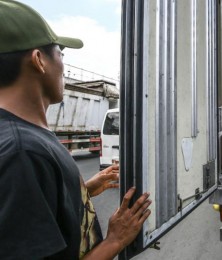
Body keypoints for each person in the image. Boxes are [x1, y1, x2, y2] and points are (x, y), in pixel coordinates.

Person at [0, 0, 151, 259]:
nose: (63, 65)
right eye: (61, 53)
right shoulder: (22, 152)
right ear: (39, 60)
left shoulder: (25, 137)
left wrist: (82, 190)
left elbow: (38, 213)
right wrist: (115, 241)